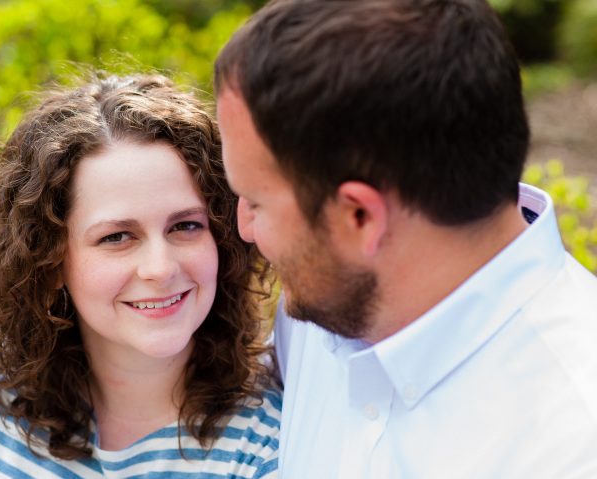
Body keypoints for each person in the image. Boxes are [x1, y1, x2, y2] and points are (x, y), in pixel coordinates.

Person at [214, 0, 597, 477]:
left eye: (255, 201)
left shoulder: (575, 443)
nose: (244, 229)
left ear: (359, 217)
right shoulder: (324, 309)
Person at [0, 73, 280, 478]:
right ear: (52, 261)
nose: (160, 268)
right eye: (117, 236)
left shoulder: (265, 440)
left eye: (185, 226)